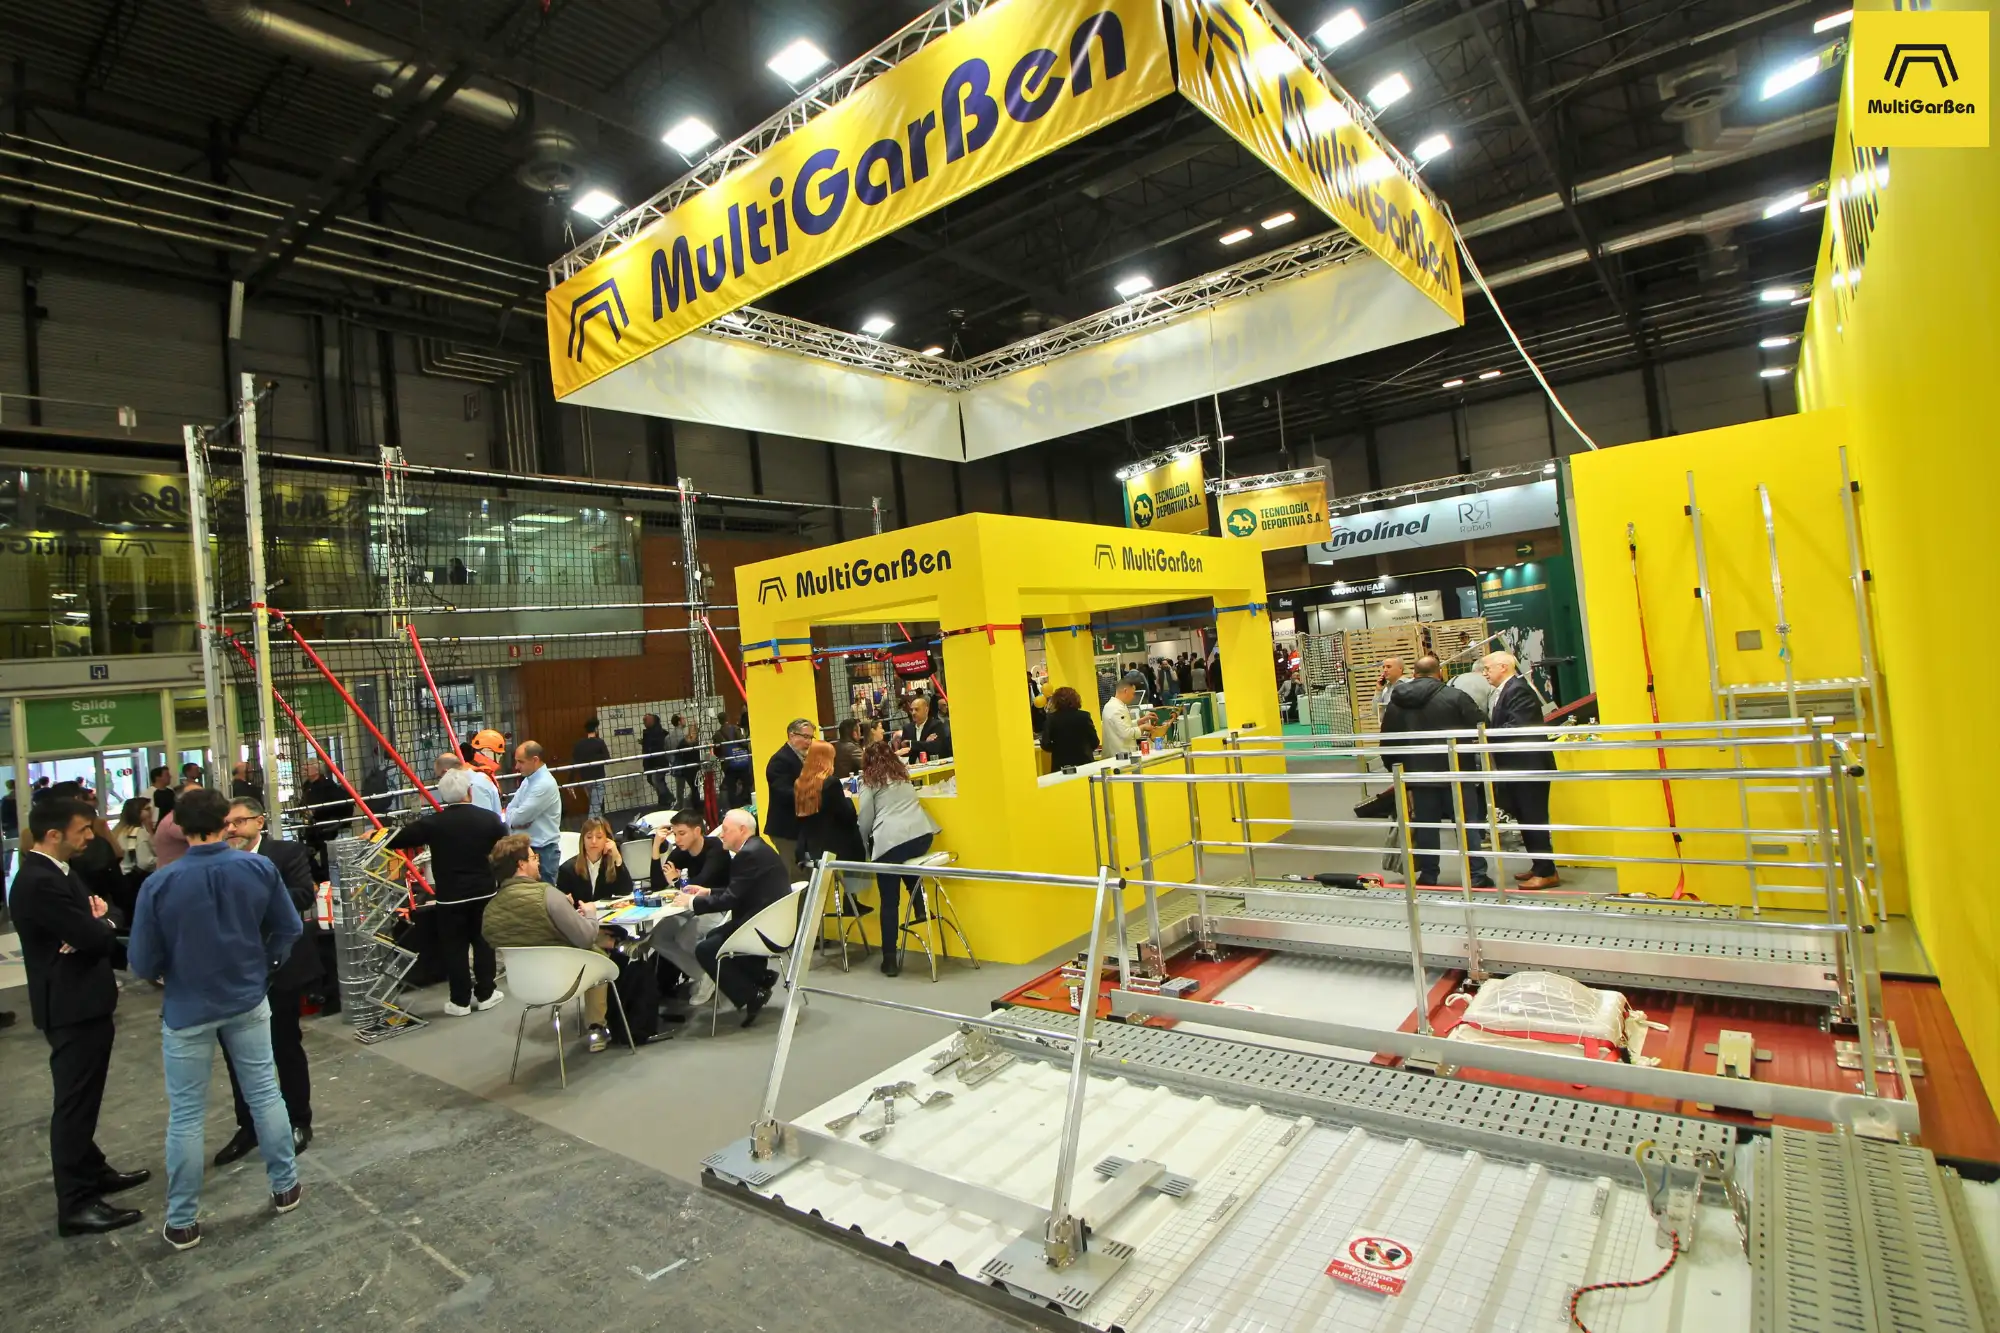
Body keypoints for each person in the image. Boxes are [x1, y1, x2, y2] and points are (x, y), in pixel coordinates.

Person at [127, 788, 303, 1251]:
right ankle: (285, 1186)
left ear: (179, 828)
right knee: (265, 1092)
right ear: (227, 822)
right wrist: (265, 965)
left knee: (187, 1114)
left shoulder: (160, 884)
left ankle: (183, 1220)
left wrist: (168, 974)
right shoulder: (257, 868)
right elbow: (289, 927)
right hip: (248, 999)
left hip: (188, 1009)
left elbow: (142, 960)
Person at [13, 796, 149, 1236]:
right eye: (82, 831)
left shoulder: (60, 871)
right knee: (74, 1105)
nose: (90, 837)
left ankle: (93, 1171)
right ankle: (76, 1202)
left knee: (84, 1098)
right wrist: (98, 926)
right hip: (70, 1007)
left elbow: (102, 916)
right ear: (54, 834)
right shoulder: (39, 881)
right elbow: (94, 936)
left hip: (84, 1000)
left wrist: (98, 922)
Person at [212, 797, 320, 1165]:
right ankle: (249, 1126)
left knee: (284, 1046)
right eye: (227, 823)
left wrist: (253, 894)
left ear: (260, 822)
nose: (232, 829)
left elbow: (303, 894)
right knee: (236, 1053)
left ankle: (298, 1120)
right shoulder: (217, 861)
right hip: (234, 970)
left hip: (280, 967)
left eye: (239, 821)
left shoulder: (286, 854)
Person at [386, 768, 506, 1016]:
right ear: (469, 792)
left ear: (442, 796)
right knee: (484, 943)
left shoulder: (432, 824)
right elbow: (504, 849)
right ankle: (486, 993)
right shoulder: (490, 819)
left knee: (455, 948)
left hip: (450, 897)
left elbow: (399, 838)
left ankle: (460, 1001)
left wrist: (378, 834)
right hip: (484, 892)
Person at [481, 834, 616, 1051]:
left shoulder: (491, 908)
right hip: (563, 977)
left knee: (602, 940)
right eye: (534, 857)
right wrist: (590, 914)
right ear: (521, 864)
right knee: (601, 947)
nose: (538, 862)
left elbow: (497, 938)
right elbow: (585, 938)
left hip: (523, 984)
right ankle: (597, 1027)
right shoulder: (548, 895)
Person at [1380, 656, 1495, 889]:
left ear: (1414, 674)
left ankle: (1429, 875)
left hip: (1418, 776)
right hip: (1456, 772)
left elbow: (1387, 741)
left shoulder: (1397, 702)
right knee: (1466, 825)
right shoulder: (1456, 696)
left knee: (1426, 826)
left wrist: (1398, 772)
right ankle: (1476, 874)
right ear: (1439, 673)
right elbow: (1482, 725)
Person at [672, 810, 793, 1027]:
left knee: (706, 949)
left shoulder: (747, 855)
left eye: (726, 830)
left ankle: (751, 994)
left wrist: (691, 903)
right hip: (770, 921)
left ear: (742, 830)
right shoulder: (757, 849)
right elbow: (740, 890)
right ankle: (759, 977)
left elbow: (731, 899)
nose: (721, 835)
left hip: (761, 926)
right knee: (714, 934)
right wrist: (709, 892)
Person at [854, 744, 941, 977]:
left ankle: (890, 960)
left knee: (889, 902)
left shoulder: (869, 782)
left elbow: (865, 819)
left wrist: (863, 844)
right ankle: (919, 904)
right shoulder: (903, 774)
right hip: (921, 837)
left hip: (891, 841)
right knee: (904, 859)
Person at [1484, 651, 1560, 889]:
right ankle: (1539, 865)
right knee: (1525, 817)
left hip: (1528, 766)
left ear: (1503, 667)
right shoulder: (1506, 690)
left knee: (1533, 817)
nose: (1485, 673)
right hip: (1516, 766)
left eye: (1487, 668)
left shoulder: (1518, 690)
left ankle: (1546, 871)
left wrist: (1485, 736)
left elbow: (1516, 727)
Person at [647, 809, 731, 1007]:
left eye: (682, 833)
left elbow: (701, 883)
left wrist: (677, 881)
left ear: (697, 831)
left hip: (718, 906)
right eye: (675, 834)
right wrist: (656, 849)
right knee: (657, 936)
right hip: (690, 906)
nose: (677, 839)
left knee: (685, 937)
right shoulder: (680, 852)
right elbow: (657, 884)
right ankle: (704, 975)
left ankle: (711, 974)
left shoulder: (716, 849)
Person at [795, 739, 865, 872]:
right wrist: (847, 798)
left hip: (814, 847)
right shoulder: (830, 783)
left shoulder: (800, 783)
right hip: (837, 847)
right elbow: (847, 816)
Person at [506, 740, 562, 887]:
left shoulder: (544, 784)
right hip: (530, 849)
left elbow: (518, 818)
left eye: (520, 762)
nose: (516, 766)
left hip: (543, 853)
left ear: (535, 760)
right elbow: (511, 810)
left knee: (544, 897)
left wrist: (514, 819)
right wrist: (514, 818)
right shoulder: (528, 780)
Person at [763, 718, 815, 869]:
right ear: (792, 735)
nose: (809, 742)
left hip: (801, 830)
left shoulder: (804, 757)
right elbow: (784, 793)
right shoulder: (779, 761)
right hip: (786, 830)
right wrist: (814, 793)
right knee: (796, 874)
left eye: (811, 737)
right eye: (805, 737)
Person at [558, 815, 634, 905]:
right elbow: (560, 903)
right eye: (589, 837)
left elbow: (626, 890)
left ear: (607, 839)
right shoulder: (567, 869)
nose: (593, 841)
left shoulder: (610, 865)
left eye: (599, 837)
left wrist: (617, 858)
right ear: (583, 841)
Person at [299, 760, 352, 881]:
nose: (304, 768)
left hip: (326, 827)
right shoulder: (307, 785)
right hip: (312, 828)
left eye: (308, 766)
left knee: (326, 859)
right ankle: (321, 879)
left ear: (316, 770)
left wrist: (317, 811)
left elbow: (340, 804)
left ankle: (327, 881)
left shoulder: (328, 785)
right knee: (305, 855)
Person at [1040, 686, 1100, 769]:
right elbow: (1095, 741)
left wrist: (1058, 748)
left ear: (1055, 701)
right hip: (1084, 762)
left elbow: (1045, 744)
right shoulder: (1084, 716)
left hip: (1061, 764)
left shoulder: (1051, 719)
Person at [1102, 672, 1156, 756]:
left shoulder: (1113, 705)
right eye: (1133, 693)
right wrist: (1143, 727)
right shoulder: (1116, 708)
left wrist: (1140, 721)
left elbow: (1123, 725)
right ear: (1125, 691)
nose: (1133, 697)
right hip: (1120, 756)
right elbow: (1126, 733)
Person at [572, 718, 611, 820]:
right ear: (596, 729)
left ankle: (600, 825)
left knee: (594, 804)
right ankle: (591, 826)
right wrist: (596, 758)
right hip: (598, 777)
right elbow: (607, 758)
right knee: (595, 807)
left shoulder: (579, 744)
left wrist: (570, 782)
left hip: (585, 779)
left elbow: (574, 763)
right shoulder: (599, 742)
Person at [713, 711, 753, 809]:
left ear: (719, 721)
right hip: (741, 761)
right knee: (747, 782)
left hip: (728, 763)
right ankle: (746, 801)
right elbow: (743, 743)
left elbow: (716, 751)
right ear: (728, 718)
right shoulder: (735, 729)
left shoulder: (717, 735)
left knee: (730, 786)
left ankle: (733, 805)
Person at [905, 694, 952, 762]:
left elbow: (934, 747)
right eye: (911, 710)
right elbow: (905, 750)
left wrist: (911, 744)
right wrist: (925, 742)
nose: (913, 713)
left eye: (916, 709)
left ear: (926, 710)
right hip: (913, 766)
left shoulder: (936, 725)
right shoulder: (907, 728)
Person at [640, 713, 672, 808]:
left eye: (645, 720)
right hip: (650, 762)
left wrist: (649, 749)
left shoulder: (660, 733)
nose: (644, 722)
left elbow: (660, 746)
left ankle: (668, 798)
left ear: (652, 721)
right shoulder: (648, 733)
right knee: (654, 780)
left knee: (656, 780)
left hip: (659, 761)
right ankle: (664, 801)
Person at [671, 715, 703, 807]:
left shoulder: (684, 741)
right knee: (695, 787)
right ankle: (697, 806)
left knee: (693, 788)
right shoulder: (698, 742)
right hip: (693, 768)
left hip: (689, 768)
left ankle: (693, 805)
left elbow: (677, 753)